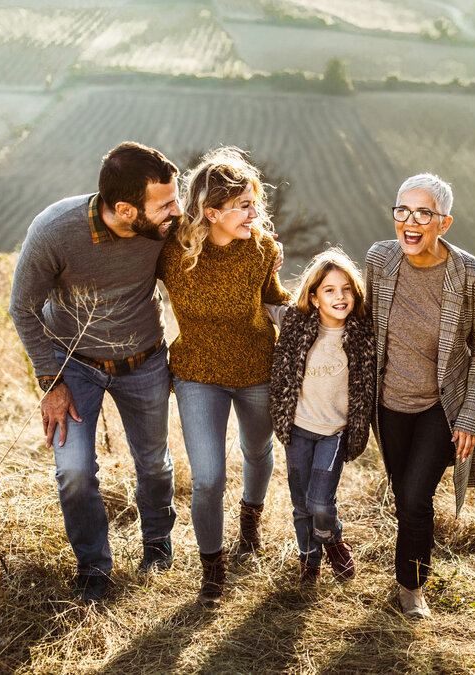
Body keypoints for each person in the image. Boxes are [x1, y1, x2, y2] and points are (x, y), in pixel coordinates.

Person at [9, 141, 182, 604]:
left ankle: (156, 541)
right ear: (126, 210)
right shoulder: (55, 231)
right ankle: (93, 566)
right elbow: (23, 309)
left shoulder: (165, 228)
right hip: (74, 367)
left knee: (153, 462)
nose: (177, 211)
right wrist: (52, 381)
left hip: (145, 361)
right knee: (75, 472)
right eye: (165, 203)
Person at [156, 147, 291, 609]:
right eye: (243, 206)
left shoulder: (262, 248)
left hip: (257, 368)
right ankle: (212, 568)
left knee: (258, 450)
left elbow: (274, 298)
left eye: (255, 204)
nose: (255, 214)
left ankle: (250, 520)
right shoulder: (172, 252)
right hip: (196, 372)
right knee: (209, 476)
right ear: (210, 212)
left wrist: (315, 313)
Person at [365, 173, 475, 619]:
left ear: (444, 223)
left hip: (443, 405)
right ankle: (411, 568)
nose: (410, 221)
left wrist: (471, 415)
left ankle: (411, 587)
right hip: (388, 405)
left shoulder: (473, 276)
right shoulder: (380, 260)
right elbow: (361, 325)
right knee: (404, 495)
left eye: (424, 213)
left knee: (417, 496)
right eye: (402, 210)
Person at [269, 249, 375, 587]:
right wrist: (266, 267)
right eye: (329, 290)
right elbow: (263, 303)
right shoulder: (296, 324)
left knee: (319, 502)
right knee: (301, 506)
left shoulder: (363, 333)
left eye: (346, 289)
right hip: (298, 428)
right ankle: (309, 563)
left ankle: (332, 539)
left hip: (335, 432)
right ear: (314, 298)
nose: (339, 297)